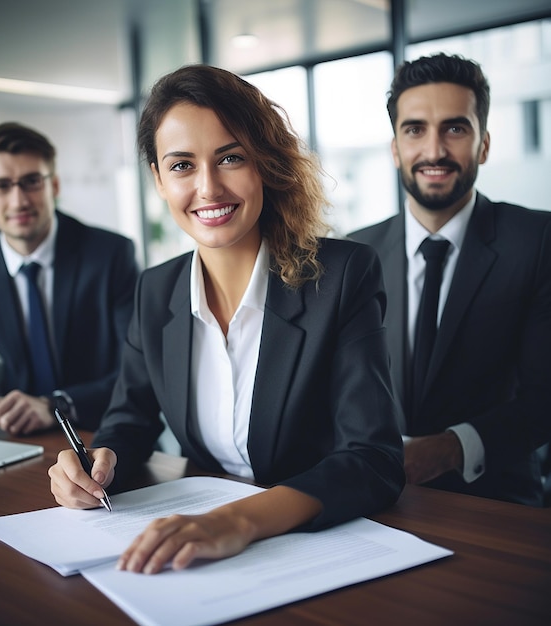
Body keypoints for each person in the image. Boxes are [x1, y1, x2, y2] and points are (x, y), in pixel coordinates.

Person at [48, 64, 405, 574]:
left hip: (318, 549)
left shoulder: (343, 275)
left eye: (230, 157)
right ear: (158, 178)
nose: (209, 187)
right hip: (199, 552)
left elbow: (375, 461)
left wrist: (239, 520)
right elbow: (128, 422)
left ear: (264, 163)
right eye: (181, 165)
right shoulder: (156, 289)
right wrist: (94, 466)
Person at [350, 53, 551, 506]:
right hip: (377, 500)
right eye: (415, 129)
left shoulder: (537, 242)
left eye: (455, 128)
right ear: (395, 147)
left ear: (483, 144)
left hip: (498, 506)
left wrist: (449, 449)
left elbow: (546, 396)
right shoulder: (355, 253)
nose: (434, 150)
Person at [0, 122, 140, 435]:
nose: (18, 201)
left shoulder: (110, 253)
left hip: (103, 432)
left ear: (54, 186)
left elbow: (136, 369)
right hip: (18, 437)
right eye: (2, 186)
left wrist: (56, 405)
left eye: (31, 182)